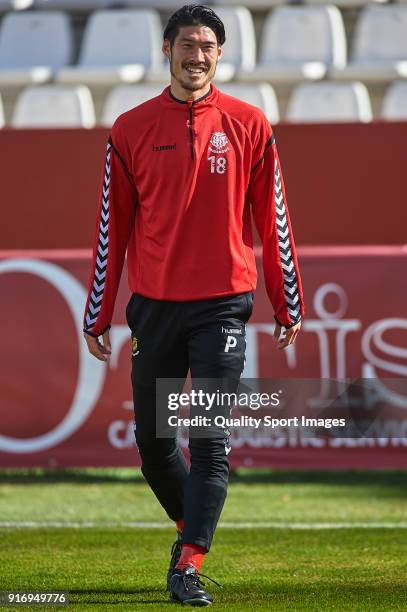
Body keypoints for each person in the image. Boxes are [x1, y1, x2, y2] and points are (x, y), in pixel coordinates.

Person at [83, 4, 304, 606]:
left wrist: (287, 300)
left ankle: (188, 565)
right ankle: (192, 532)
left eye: (208, 46)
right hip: (154, 306)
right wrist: (97, 310)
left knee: (209, 439)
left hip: (223, 305)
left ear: (220, 54)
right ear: (167, 50)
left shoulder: (250, 124)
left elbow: (273, 219)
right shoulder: (129, 129)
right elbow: (113, 226)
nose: (197, 55)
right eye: (187, 44)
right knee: (154, 446)